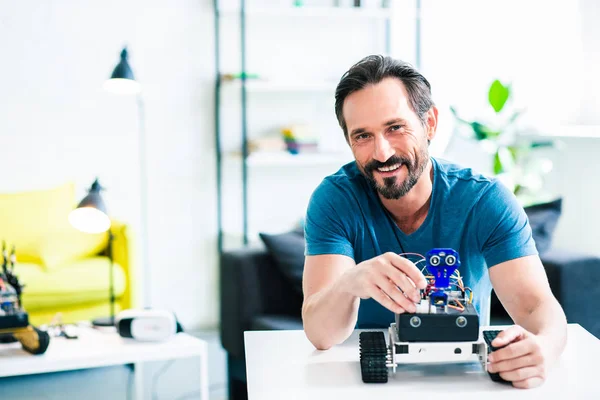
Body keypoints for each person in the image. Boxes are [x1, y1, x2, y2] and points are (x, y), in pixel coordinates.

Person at [301, 55, 567, 389]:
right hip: (367, 387)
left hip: (462, 381)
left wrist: (544, 347)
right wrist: (350, 282)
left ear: (430, 124)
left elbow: (537, 306)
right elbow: (321, 335)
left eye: (395, 128)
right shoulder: (335, 200)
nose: (382, 153)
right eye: (363, 136)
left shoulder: (485, 200)